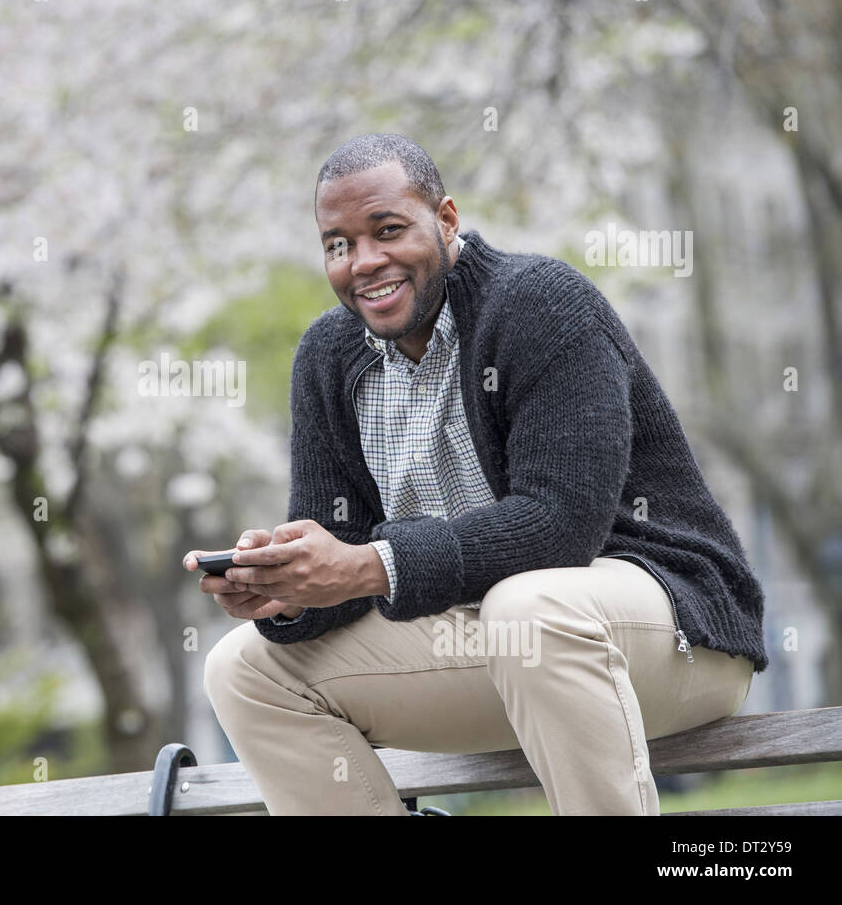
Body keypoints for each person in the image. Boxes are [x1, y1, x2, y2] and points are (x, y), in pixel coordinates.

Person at [183, 133, 767, 815]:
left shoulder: (541, 304)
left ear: (447, 219)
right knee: (243, 669)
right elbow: (343, 568)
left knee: (532, 606)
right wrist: (290, 590)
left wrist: (369, 564)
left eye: (388, 230)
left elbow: (560, 529)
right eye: (338, 244)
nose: (365, 262)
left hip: (674, 638)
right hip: (497, 653)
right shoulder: (328, 356)